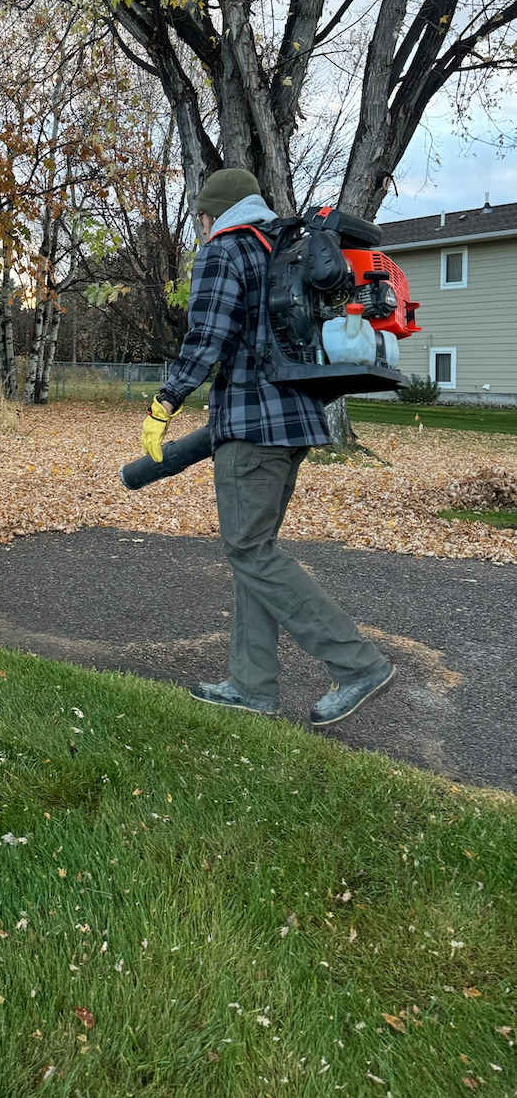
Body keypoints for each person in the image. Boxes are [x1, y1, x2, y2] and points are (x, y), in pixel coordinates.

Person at [142, 168, 395, 727]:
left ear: (211, 214)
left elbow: (207, 338)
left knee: (250, 551)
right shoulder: (279, 248)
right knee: (253, 553)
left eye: (200, 216)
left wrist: (164, 404)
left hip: (251, 428)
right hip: (295, 422)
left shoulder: (224, 250)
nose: (200, 225)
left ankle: (358, 664)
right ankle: (251, 685)